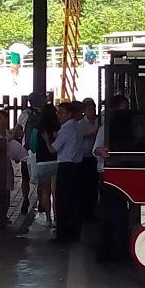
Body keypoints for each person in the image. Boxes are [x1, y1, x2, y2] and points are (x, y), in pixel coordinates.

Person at [95, 95, 130, 262]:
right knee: (110, 214)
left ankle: (118, 250)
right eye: (123, 108)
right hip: (107, 174)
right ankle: (106, 251)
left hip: (124, 174)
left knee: (119, 214)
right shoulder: (106, 128)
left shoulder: (128, 127)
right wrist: (102, 152)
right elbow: (95, 150)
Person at [48, 101, 85, 243]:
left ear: (69, 114)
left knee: (63, 202)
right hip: (78, 166)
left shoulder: (65, 129)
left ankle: (62, 235)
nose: (58, 115)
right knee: (75, 201)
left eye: (61, 112)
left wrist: (47, 140)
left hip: (66, 167)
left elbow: (53, 149)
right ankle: (75, 232)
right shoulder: (78, 126)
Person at [14, 92, 48, 214]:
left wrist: (22, 136)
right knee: (41, 177)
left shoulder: (25, 114)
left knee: (25, 178)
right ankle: (40, 202)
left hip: (27, 150)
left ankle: (25, 199)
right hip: (42, 150)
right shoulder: (46, 114)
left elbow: (17, 130)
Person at [32, 104, 61, 226]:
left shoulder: (37, 130)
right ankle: (57, 219)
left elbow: (32, 147)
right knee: (55, 192)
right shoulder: (58, 128)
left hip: (42, 163)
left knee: (45, 192)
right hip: (56, 161)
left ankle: (48, 218)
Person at [79, 98, 99, 220]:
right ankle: (84, 212)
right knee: (85, 186)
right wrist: (95, 130)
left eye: (93, 109)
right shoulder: (80, 124)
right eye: (90, 109)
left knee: (93, 186)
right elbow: (83, 136)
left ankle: (92, 211)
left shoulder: (97, 122)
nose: (92, 111)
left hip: (94, 158)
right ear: (84, 110)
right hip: (84, 157)